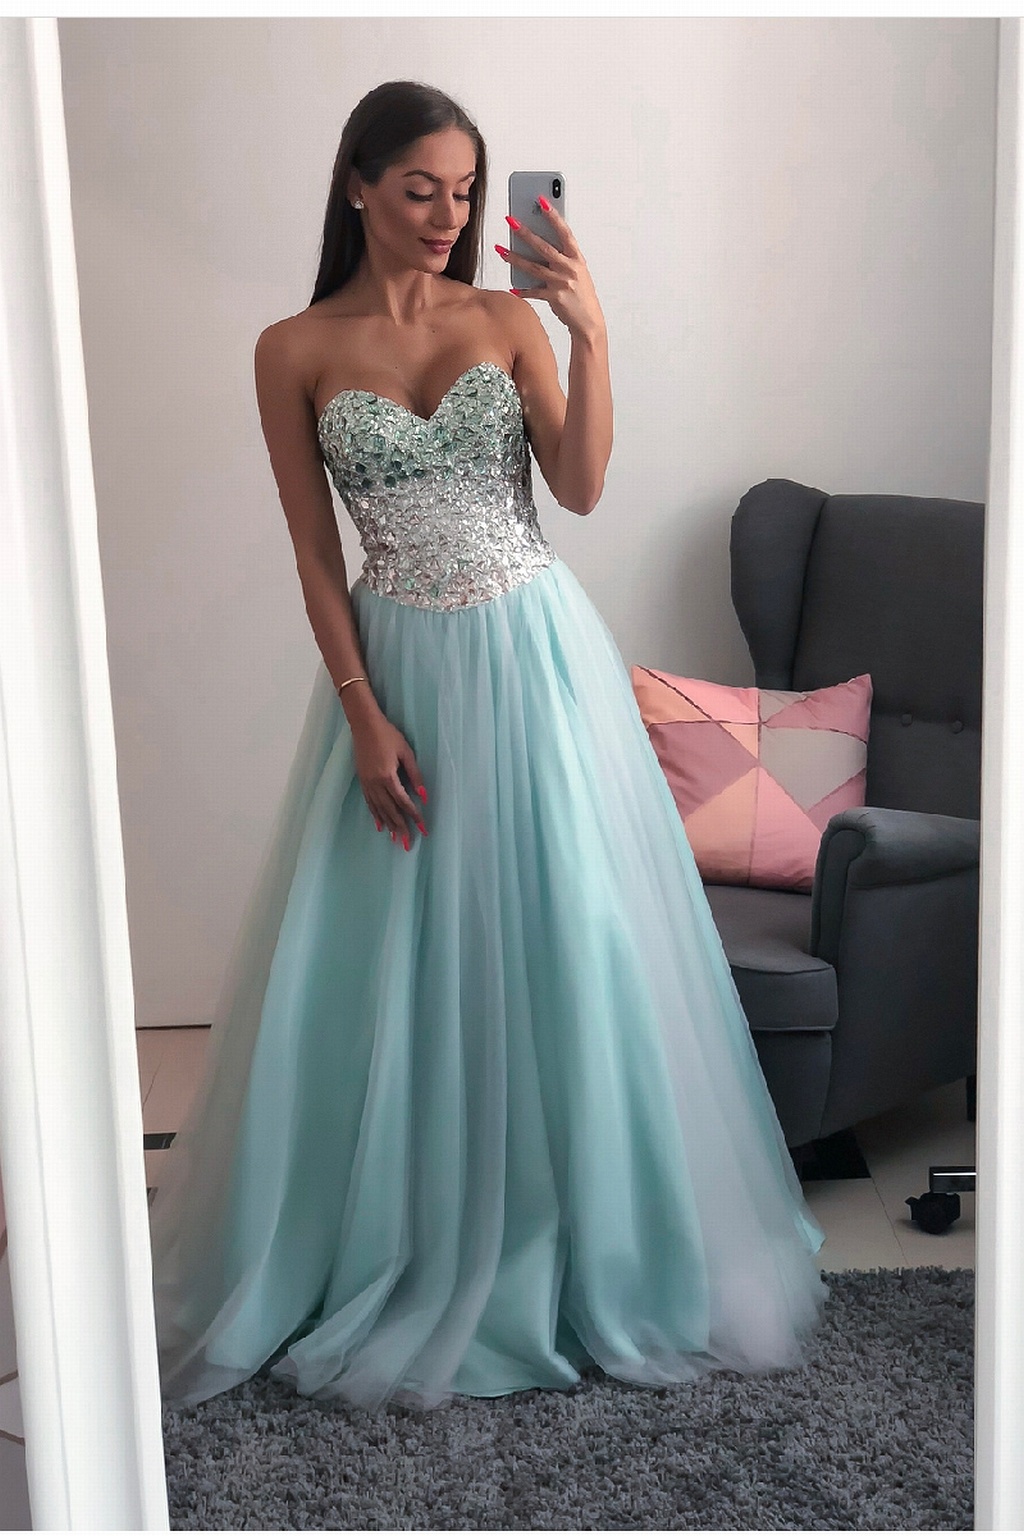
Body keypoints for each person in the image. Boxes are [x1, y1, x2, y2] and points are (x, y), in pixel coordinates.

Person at [149, 79, 828, 1413]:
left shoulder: (510, 319)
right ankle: (386, 1232)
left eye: (466, 192)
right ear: (355, 184)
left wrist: (589, 329)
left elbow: (577, 488)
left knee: (570, 930)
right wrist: (362, 713)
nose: (449, 217)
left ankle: (585, 1237)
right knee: (382, 963)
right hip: (398, 667)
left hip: (532, 657)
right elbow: (313, 553)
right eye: (420, 189)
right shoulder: (289, 348)